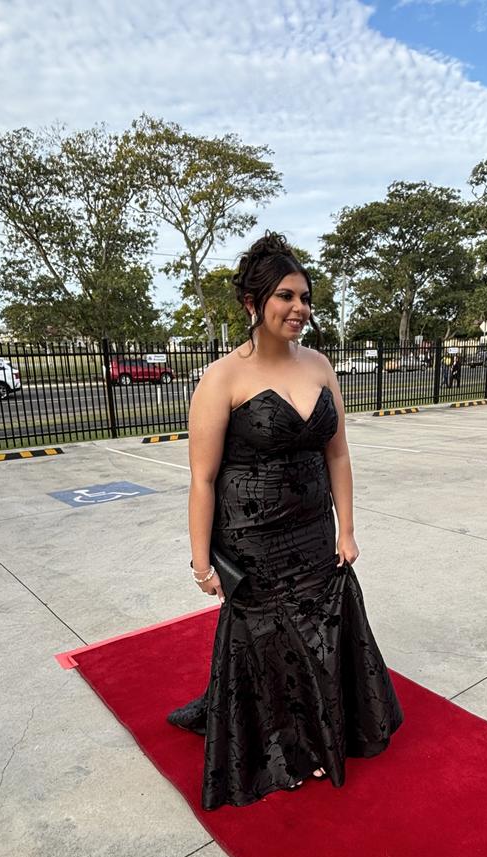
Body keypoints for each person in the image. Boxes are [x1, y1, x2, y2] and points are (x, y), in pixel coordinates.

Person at [167, 232, 404, 810]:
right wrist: (202, 561)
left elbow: (339, 454)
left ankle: (321, 737)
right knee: (270, 639)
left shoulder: (320, 365)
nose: (300, 308)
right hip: (251, 536)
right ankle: (279, 751)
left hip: (314, 530)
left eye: (305, 297)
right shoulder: (221, 378)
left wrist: (346, 528)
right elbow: (202, 478)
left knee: (318, 630)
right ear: (253, 303)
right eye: (286, 296)